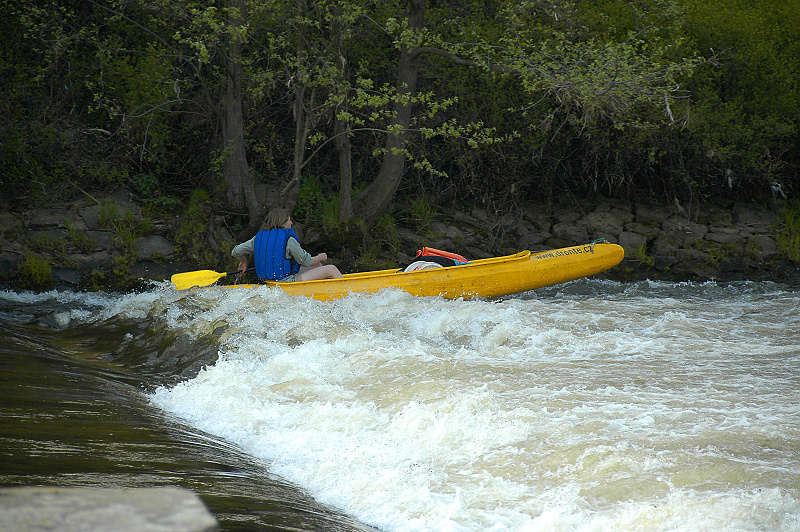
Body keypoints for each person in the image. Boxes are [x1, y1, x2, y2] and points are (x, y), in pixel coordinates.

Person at [231, 207, 343, 282]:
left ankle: (322, 290)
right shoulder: (288, 239)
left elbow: (236, 251)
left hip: (271, 283)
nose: (291, 223)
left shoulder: (258, 238)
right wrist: (320, 257)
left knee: (316, 267)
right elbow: (306, 261)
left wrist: (243, 261)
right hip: (287, 283)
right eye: (289, 220)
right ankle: (349, 293)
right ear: (283, 223)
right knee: (331, 269)